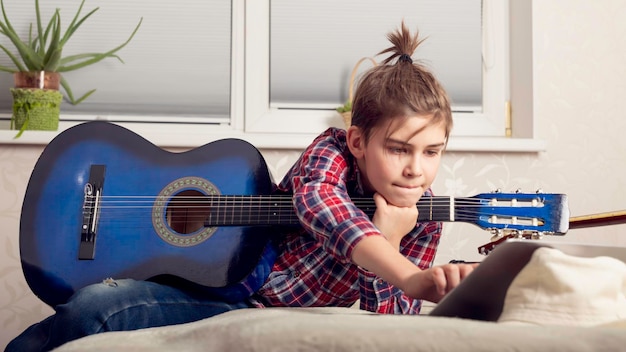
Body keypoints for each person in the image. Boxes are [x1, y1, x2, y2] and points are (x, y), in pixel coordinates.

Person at [6, 21, 477, 352]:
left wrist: (396, 241)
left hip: (246, 302)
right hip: (214, 285)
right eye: (399, 148)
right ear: (358, 140)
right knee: (91, 306)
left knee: (98, 309)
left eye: (431, 152)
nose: (416, 169)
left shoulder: (423, 215)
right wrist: (402, 266)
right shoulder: (330, 152)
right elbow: (321, 203)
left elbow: (390, 325)